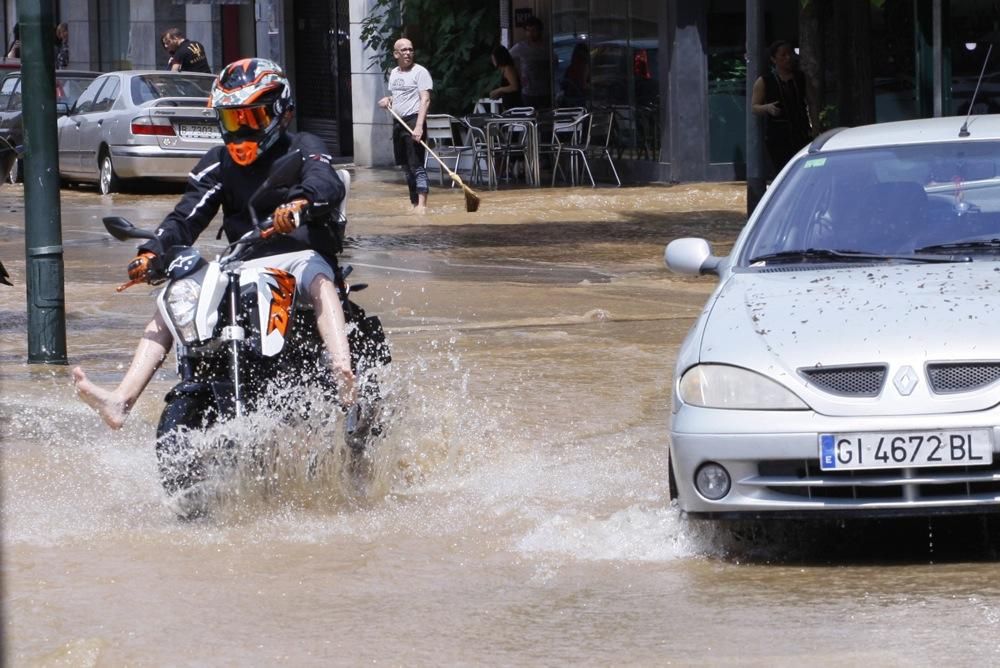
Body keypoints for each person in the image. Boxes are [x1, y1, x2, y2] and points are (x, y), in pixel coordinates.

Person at [73, 58, 355, 429]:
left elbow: (327, 182)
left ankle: (342, 374)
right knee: (175, 297)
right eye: (231, 120)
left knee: (320, 279)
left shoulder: (305, 147)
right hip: (243, 263)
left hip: (300, 257)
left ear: (279, 113)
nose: (239, 132)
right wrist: (152, 252)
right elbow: (186, 216)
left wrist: (301, 203)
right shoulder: (220, 163)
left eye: (248, 119)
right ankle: (121, 400)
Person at [377, 38, 432, 214]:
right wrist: (388, 100)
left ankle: (422, 206)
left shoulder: (420, 72)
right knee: (406, 167)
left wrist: (419, 126)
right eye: (404, 50)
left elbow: (425, 99)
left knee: (417, 165)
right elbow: (398, 97)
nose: (408, 53)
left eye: (410, 49)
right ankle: (414, 202)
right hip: (398, 123)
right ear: (396, 54)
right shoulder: (394, 73)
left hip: (414, 121)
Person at [751, 39, 812, 178]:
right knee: (784, 172)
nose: (788, 58)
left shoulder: (800, 78)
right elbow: (754, 107)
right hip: (778, 136)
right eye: (783, 55)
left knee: (803, 171)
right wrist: (767, 108)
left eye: (790, 53)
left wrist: (815, 127)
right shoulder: (764, 81)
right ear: (773, 59)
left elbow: (811, 102)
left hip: (800, 131)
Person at [510, 16, 553, 110]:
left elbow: (556, 62)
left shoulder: (548, 47)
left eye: (534, 30)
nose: (530, 34)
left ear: (540, 31)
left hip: (547, 92)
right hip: (528, 92)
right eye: (528, 30)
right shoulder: (521, 47)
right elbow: (507, 59)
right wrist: (516, 75)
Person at [488, 44, 522, 111]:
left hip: (514, 104)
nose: (493, 61)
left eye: (494, 58)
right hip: (508, 104)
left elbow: (514, 87)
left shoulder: (508, 69)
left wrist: (498, 90)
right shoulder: (503, 69)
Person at [559, 42, 590, 108]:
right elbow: (583, 86)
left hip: (569, 101)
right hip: (578, 101)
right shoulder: (583, 67)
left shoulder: (570, 68)